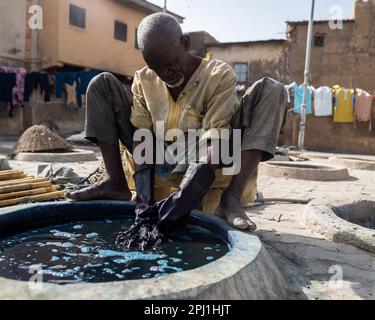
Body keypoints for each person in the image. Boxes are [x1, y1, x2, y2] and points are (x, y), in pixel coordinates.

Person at [66, 13, 287, 232]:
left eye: (169, 64)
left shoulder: (218, 75)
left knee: (272, 90)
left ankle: (231, 199)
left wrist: (185, 197)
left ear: (185, 43)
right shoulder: (144, 80)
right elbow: (142, 138)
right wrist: (144, 203)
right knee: (101, 83)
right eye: (156, 68)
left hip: (212, 167)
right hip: (160, 163)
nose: (164, 74)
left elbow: (215, 140)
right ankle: (115, 182)